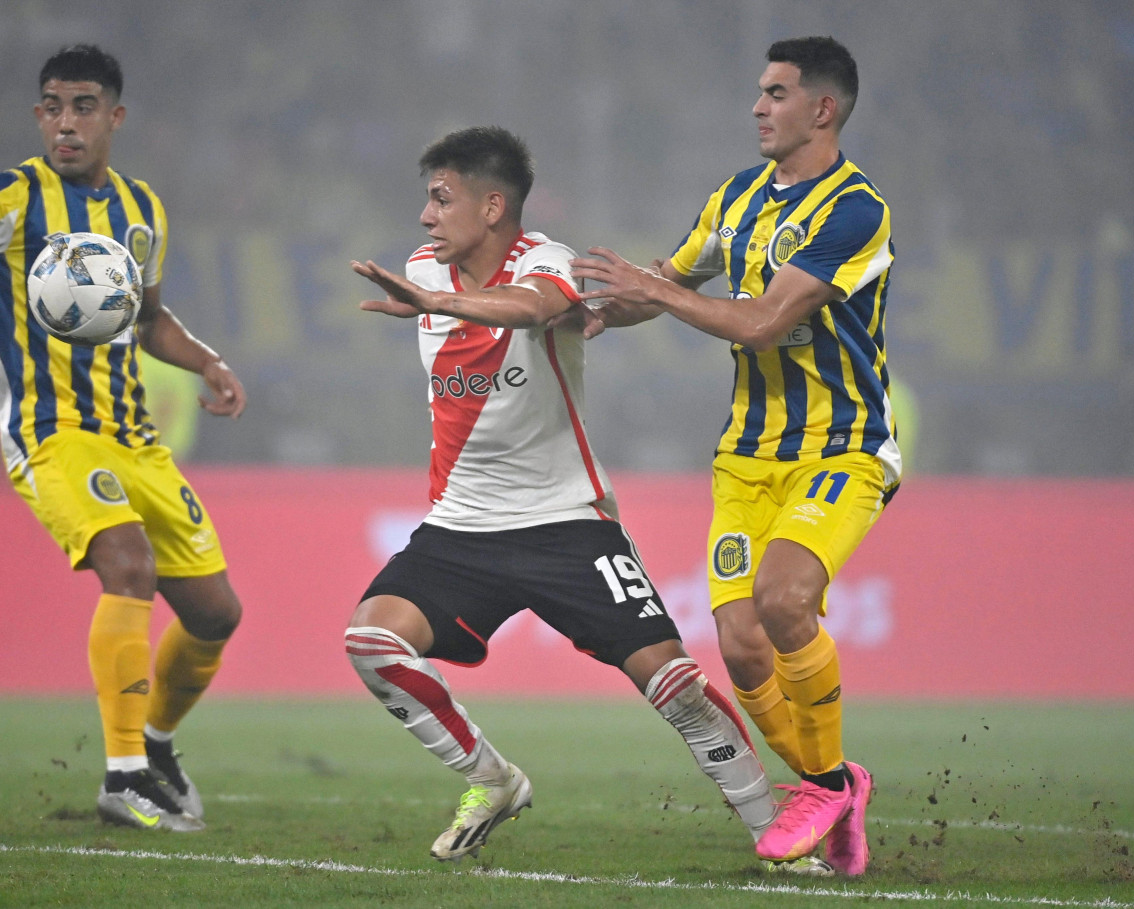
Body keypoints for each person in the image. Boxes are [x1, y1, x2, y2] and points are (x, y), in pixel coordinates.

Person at [345, 125, 831, 874]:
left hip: (567, 524)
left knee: (672, 680)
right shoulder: (421, 270)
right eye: (427, 201)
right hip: (461, 528)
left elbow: (534, 306)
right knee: (371, 641)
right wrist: (425, 292)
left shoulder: (545, 261)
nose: (426, 217)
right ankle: (490, 777)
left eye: (442, 199)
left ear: (493, 205)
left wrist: (440, 302)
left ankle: (783, 840)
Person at [0, 44, 247, 832]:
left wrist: (209, 361)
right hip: (52, 432)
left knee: (216, 613)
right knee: (127, 563)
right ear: (39, 116)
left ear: (115, 116)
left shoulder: (142, 207)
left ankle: (157, 745)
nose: (65, 123)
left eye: (83, 106)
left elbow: (146, 319)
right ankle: (123, 779)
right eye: (52, 106)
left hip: (135, 438)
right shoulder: (9, 196)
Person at [569, 36, 898, 876]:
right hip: (746, 456)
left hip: (842, 448)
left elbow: (760, 322)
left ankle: (819, 786)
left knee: (786, 599)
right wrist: (604, 309)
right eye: (759, 91)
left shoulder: (854, 210)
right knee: (744, 645)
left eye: (776, 93)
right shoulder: (736, 197)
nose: (757, 106)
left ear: (821, 109)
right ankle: (840, 782)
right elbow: (670, 278)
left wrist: (662, 294)